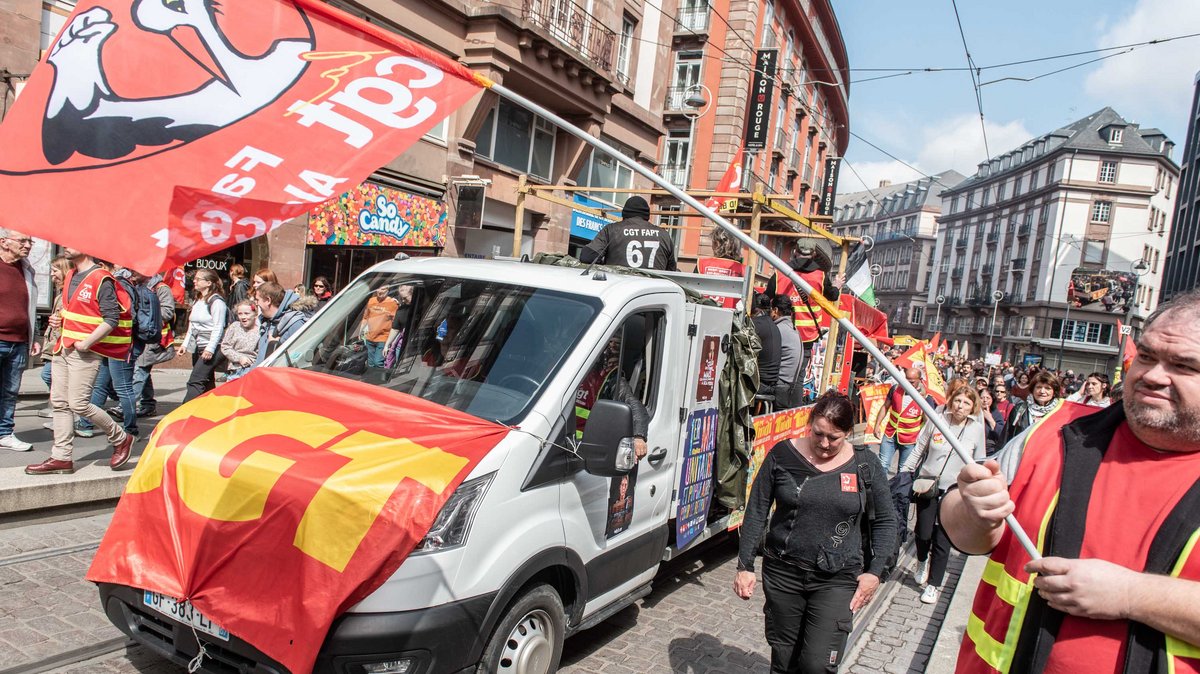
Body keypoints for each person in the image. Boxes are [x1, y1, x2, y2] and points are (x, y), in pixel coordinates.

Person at [940, 289, 1200, 674]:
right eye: (1146, 356)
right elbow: (965, 530)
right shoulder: (1056, 431)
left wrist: (1133, 595)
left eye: (1184, 365)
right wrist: (973, 509)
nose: (1152, 376)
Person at [734, 392, 896, 673]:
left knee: (816, 665)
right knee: (784, 659)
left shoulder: (865, 465)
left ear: (848, 432)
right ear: (810, 423)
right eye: (818, 433)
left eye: (833, 438)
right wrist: (745, 565)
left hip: (838, 578)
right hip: (784, 574)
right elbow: (757, 510)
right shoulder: (782, 455)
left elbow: (885, 520)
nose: (824, 443)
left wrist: (876, 571)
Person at [26, 248, 134, 475]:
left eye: (71, 243)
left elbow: (111, 318)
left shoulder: (101, 278)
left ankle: (121, 437)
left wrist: (87, 343)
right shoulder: (71, 275)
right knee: (60, 403)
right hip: (62, 348)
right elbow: (76, 311)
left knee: (78, 404)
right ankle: (61, 457)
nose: (65, 246)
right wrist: (59, 319)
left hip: (84, 351)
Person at [900, 386, 987, 605]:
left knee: (943, 538)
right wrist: (903, 474)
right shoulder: (937, 419)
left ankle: (933, 584)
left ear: (973, 407)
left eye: (967, 403)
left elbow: (979, 461)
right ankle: (921, 561)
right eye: (958, 401)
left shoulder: (976, 429)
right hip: (928, 484)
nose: (961, 406)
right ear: (951, 401)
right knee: (923, 532)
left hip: (955, 491)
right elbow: (920, 448)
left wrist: (976, 489)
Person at [76, 266, 151, 441]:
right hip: (111, 344)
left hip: (120, 345)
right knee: (102, 386)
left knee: (122, 388)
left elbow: (121, 317)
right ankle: (86, 424)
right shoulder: (119, 283)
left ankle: (130, 430)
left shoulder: (119, 285)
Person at [574, 334, 649, 461]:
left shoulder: (613, 380)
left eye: (615, 347)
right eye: (609, 346)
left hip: (586, 446)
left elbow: (635, 406)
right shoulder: (578, 371)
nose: (611, 350)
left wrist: (639, 437)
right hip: (565, 440)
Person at [0, 228, 39, 452]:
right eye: (23, 240)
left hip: (19, 342)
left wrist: (32, 337)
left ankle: (5, 433)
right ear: (4, 242)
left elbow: (28, 307)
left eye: (30, 241)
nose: (28, 245)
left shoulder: (26, 270)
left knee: (10, 391)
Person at [768, 240, 844, 345]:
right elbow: (833, 296)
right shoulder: (820, 276)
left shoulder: (779, 274)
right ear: (814, 254)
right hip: (808, 334)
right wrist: (836, 286)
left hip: (781, 331)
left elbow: (766, 299)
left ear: (795, 252)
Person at [579, 196, 678, 271]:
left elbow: (587, 257)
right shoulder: (664, 236)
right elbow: (671, 271)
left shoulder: (612, 230)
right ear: (647, 216)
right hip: (651, 294)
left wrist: (603, 264)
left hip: (620, 291)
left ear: (624, 215)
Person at [176, 269, 227, 402]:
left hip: (214, 347)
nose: (194, 281)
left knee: (195, 381)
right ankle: (212, 410)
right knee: (207, 382)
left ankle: (184, 413)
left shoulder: (217, 302)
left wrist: (210, 349)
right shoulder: (198, 300)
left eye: (198, 279)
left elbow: (218, 327)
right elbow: (192, 325)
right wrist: (184, 344)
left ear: (208, 283)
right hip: (199, 346)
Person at [132, 272, 177, 418]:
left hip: (153, 336)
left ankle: (126, 405)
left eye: (134, 271)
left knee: (141, 369)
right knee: (142, 368)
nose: (131, 274)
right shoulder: (135, 286)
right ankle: (148, 404)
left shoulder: (161, 288)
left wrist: (146, 317)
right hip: (139, 335)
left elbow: (168, 311)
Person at [872, 367, 932, 476]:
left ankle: (897, 492)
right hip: (890, 434)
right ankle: (881, 491)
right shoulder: (895, 389)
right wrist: (877, 426)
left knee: (903, 470)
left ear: (920, 380)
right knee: (882, 464)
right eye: (906, 380)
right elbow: (885, 407)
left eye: (912, 382)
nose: (908, 384)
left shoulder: (926, 398)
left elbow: (928, 422)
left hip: (910, 439)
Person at [36, 256, 73, 423]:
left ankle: (65, 409)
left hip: (61, 344)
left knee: (49, 375)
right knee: (51, 376)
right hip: (54, 343)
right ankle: (61, 408)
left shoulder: (69, 293)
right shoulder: (61, 293)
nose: (52, 275)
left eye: (55, 271)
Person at [1000, 370, 1063, 445]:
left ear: (1054, 392)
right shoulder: (1019, 409)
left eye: (1047, 388)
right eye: (1039, 387)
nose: (1042, 391)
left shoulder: (1059, 412)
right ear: (1032, 389)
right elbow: (1006, 437)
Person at [255, 282, 308, 364]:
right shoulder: (267, 321)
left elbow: (300, 357)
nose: (256, 303)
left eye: (257, 300)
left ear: (268, 300)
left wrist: (274, 346)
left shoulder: (295, 323)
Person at [696, 226, 745, 309]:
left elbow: (692, 294)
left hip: (702, 315)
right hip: (731, 318)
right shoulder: (743, 270)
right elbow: (751, 304)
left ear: (717, 244)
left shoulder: (701, 264)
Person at [772, 294, 802, 408]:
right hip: (789, 384)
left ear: (775, 310)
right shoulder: (792, 328)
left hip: (780, 384)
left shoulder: (778, 329)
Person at [360, 285, 399, 368]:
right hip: (370, 338)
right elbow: (365, 317)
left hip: (383, 338)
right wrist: (360, 331)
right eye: (378, 288)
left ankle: (378, 380)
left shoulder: (393, 303)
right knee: (370, 363)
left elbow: (396, 322)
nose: (380, 291)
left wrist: (392, 340)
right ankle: (370, 380)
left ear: (388, 290)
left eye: (383, 289)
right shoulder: (371, 301)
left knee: (378, 362)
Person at [751, 293, 781, 398]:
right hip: (771, 384)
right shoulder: (774, 326)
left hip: (759, 385)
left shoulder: (755, 324)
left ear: (756, 310)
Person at [220, 300, 260, 381]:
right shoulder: (234, 327)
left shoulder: (260, 331)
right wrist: (239, 358)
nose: (243, 317)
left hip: (251, 371)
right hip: (234, 371)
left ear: (255, 314)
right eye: (240, 314)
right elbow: (225, 346)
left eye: (247, 313)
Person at [978, 387, 1005, 456]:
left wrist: (990, 419)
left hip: (990, 450)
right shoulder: (973, 412)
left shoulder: (996, 414)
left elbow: (1001, 434)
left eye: (988, 398)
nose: (985, 400)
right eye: (982, 398)